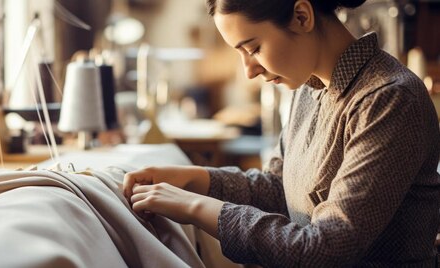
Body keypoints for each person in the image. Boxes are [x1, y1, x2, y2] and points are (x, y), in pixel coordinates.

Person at [122, 0, 440, 266]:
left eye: (254, 48)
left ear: (302, 16)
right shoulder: (309, 90)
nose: (249, 71)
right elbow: (279, 189)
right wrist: (195, 179)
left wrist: (194, 206)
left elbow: (326, 248)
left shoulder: (390, 98)